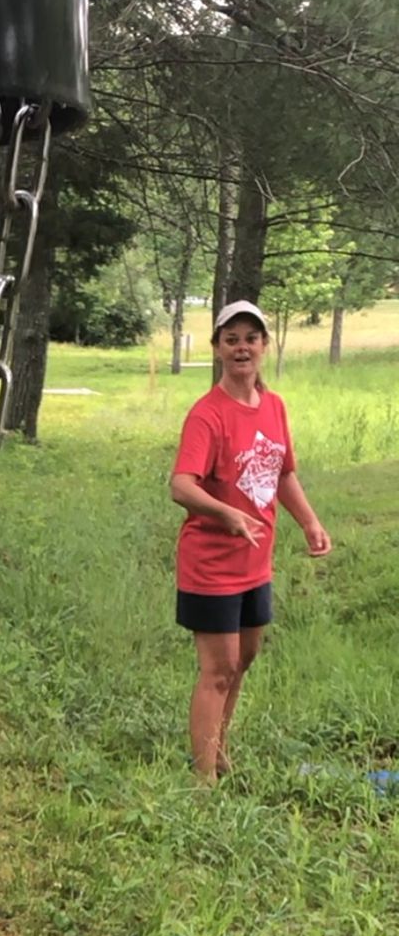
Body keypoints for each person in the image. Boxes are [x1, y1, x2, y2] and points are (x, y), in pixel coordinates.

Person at [169, 300, 332, 782]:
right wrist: (226, 514)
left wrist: (309, 522)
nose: (242, 347)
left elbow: (281, 473)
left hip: (255, 565)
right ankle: (205, 783)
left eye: (251, 338)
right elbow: (181, 485)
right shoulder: (207, 415)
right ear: (218, 348)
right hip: (211, 565)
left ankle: (218, 750)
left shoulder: (274, 406)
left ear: (264, 346)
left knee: (242, 662)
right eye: (232, 338)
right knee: (218, 670)